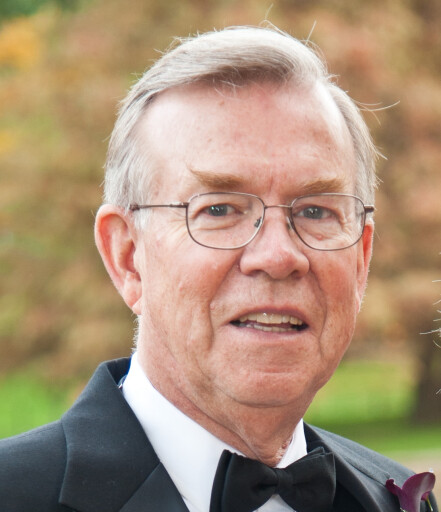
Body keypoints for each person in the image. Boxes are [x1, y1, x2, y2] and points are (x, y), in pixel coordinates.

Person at [0, 25, 437, 512]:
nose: (278, 256)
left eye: (316, 211)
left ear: (360, 260)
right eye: (219, 209)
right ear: (127, 257)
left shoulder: (395, 498)